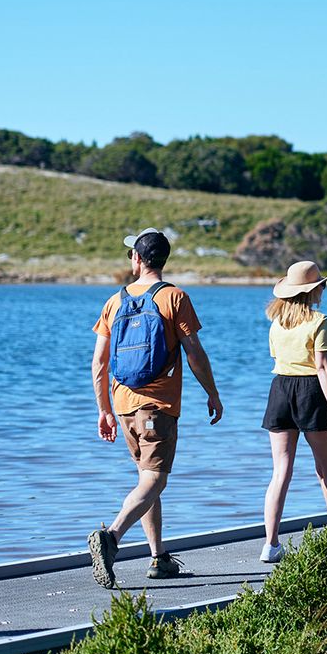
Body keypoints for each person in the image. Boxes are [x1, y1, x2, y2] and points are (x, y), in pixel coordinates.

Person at [88, 228, 224, 589]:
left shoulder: (114, 301)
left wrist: (103, 409)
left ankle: (159, 557)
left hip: (123, 403)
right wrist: (212, 392)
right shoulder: (174, 298)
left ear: (137, 258)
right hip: (158, 405)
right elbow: (194, 352)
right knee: (154, 479)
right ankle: (111, 538)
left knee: (147, 478)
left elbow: (99, 363)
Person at [259, 260, 327, 563]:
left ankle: (271, 544)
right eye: (321, 284)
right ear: (314, 289)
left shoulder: (276, 323)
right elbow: (321, 368)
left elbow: (278, 358)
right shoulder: (320, 320)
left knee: (281, 471)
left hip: (279, 390)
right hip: (311, 392)